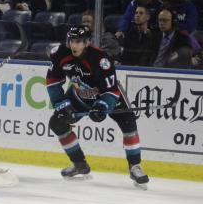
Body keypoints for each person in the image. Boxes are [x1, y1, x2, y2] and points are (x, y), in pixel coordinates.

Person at [46, 25, 149, 188]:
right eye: (72, 41)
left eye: (79, 41)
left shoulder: (100, 59)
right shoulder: (60, 54)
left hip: (109, 96)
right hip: (79, 95)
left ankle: (135, 166)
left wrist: (102, 107)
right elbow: (53, 83)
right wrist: (62, 105)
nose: (74, 45)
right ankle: (79, 164)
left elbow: (111, 90)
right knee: (57, 123)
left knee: (129, 123)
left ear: (87, 42)